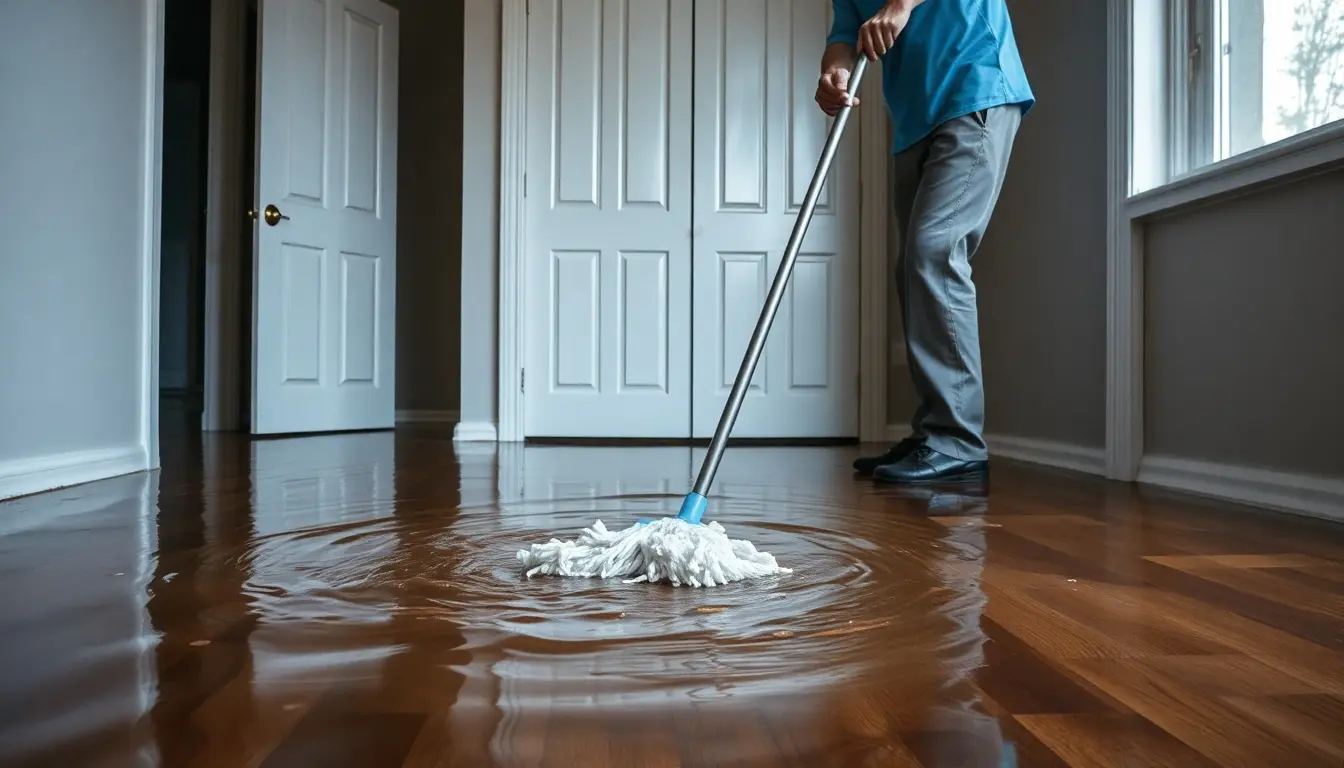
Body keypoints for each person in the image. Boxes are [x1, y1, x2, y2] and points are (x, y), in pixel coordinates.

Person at [817, 0, 1034, 485]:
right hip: (915, 119)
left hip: (975, 88)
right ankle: (935, 428)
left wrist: (898, 5)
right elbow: (844, 33)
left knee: (933, 253)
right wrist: (832, 73)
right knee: (912, 269)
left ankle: (957, 440)